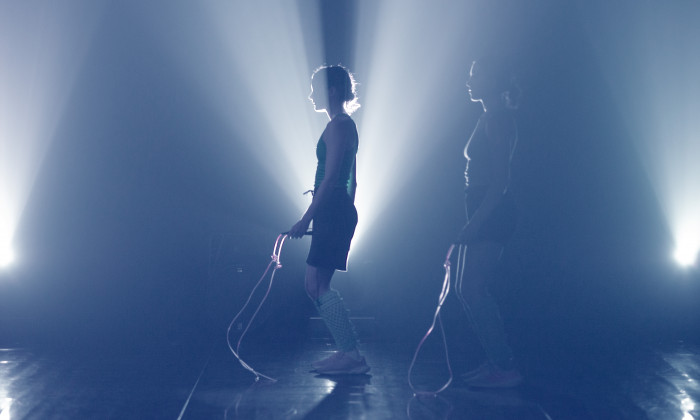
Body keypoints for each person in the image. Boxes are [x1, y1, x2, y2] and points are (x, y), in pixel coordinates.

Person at [288, 65, 369, 375]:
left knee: (317, 284)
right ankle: (348, 352)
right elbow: (352, 181)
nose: (311, 94)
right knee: (315, 284)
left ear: (332, 90)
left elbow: (333, 177)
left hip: (332, 209)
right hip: (335, 210)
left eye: (315, 88)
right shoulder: (343, 126)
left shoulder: (339, 126)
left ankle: (352, 355)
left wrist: (307, 218)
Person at [457, 56, 522, 388]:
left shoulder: (498, 119)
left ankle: (505, 366)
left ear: (494, 81)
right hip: (482, 210)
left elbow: (500, 181)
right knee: (467, 289)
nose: (469, 81)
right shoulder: (487, 116)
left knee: (472, 288)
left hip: (492, 212)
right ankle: (495, 360)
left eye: (476, 75)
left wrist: (475, 223)